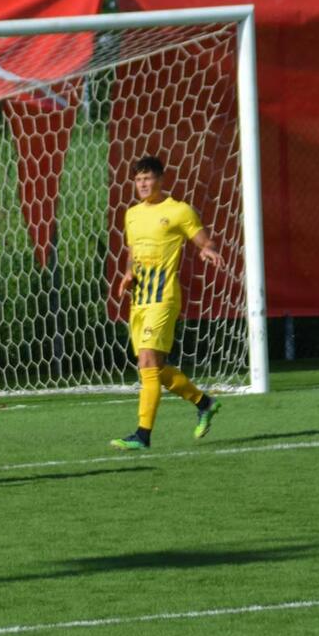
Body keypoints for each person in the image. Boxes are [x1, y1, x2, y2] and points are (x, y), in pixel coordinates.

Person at [111, 155, 224, 451]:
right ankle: (204, 402)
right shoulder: (132, 214)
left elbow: (203, 240)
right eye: (138, 180)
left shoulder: (179, 211)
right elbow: (133, 253)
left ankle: (142, 435)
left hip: (164, 297)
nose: (143, 184)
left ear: (161, 179)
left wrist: (207, 251)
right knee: (154, 369)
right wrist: (127, 274)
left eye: (148, 178)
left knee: (147, 362)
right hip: (140, 300)